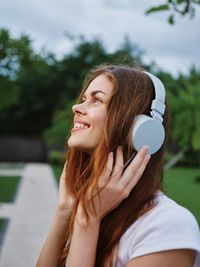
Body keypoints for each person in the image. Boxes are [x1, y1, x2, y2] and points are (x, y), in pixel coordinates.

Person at [36, 64, 200, 267]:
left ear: (139, 127)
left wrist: (87, 221)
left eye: (97, 99)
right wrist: (64, 211)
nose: (76, 107)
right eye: (84, 99)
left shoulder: (168, 226)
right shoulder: (95, 205)